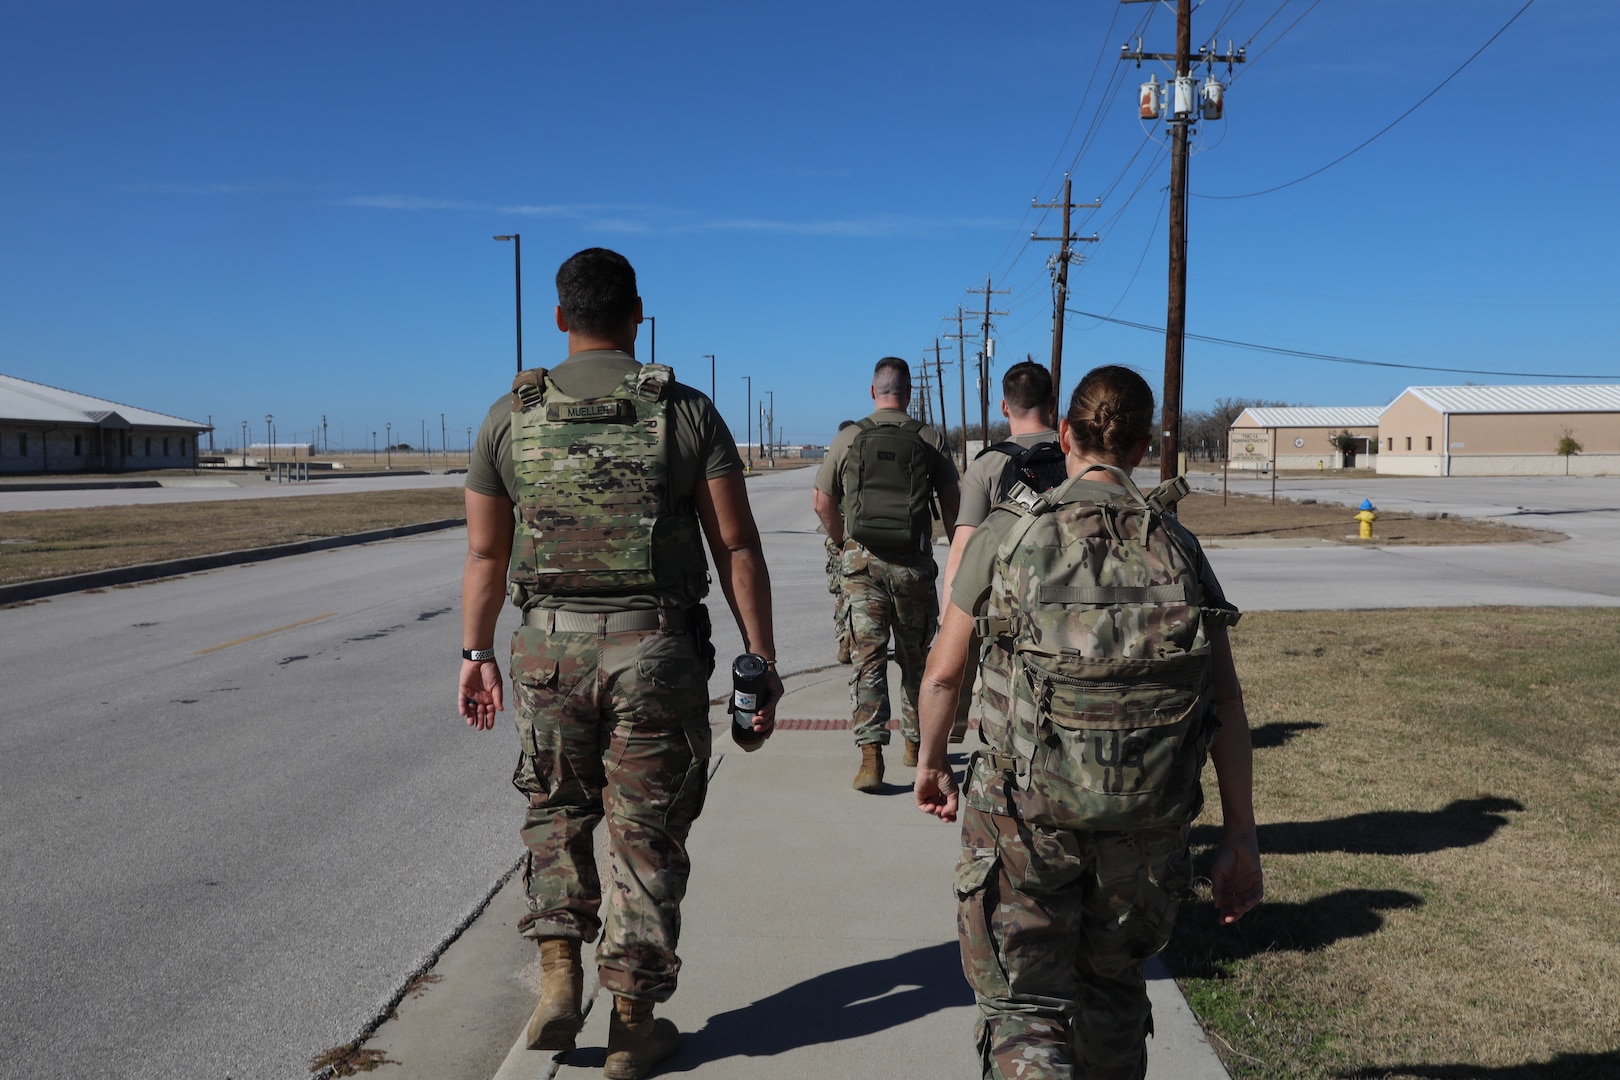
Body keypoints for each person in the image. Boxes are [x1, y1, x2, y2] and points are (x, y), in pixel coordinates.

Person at [458, 247, 782, 1080]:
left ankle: (559, 978)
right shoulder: (686, 412)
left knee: (556, 810)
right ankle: (633, 1026)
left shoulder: (507, 417)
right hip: (655, 650)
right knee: (647, 831)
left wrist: (475, 653)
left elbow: (486, 558)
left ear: (561, 318)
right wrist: (760, 657)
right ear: (637, 314)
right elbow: (736, 543)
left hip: (546, 652)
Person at [913, 364, 1263, 1080]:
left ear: (1064, 433)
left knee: (1025, 1010)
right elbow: (1225, 704)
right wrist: (1240, 838)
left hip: (1025, 825)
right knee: (1112, 996)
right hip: (1146, 827)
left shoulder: (1009, 537)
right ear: (1144, 446)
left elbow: (944, 672)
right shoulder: (1178, 546)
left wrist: (928, 763)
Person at [813, 357, 960, 792]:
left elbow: (822, 502)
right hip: (913, 567)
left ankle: (871, 758)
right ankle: (917, 746)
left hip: (862, 569)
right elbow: (953, 505)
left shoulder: (849, 437)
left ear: (872, 391)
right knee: (917, 660)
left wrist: (844, 544)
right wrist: (955, 557)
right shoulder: (929, 438)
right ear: (909, 393)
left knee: (868, 661)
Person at [939, 361, 1063, 743]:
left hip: (1009, 616)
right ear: (1052, 403)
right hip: (1073, 608)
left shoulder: (988, 465)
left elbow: (963, 549)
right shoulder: (1077, 457)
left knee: (1011, 714)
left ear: (1004, 407)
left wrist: (949, 623)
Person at [825, 419, 859, 665]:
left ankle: (843, 643)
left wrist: (836, 539)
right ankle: (854, 641)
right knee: (857, 593)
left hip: (841, 534)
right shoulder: (863, 457)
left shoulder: (836, 459)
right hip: (859, 534)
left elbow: (824, 499)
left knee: (840, 592)